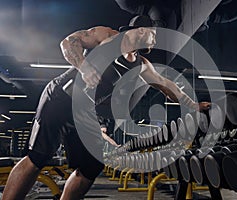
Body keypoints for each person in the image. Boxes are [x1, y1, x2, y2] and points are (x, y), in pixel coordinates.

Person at [2, 15, 210, 199]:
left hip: (83, 112)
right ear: (141, 30)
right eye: (154, 35)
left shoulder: (142, 64)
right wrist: (83, 67)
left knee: (92, 165)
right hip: (60, 98)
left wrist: (192, 105)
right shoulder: (107, 36)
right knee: (38, 157)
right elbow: (69, 42)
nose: (155, 41)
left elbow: (165, 85)